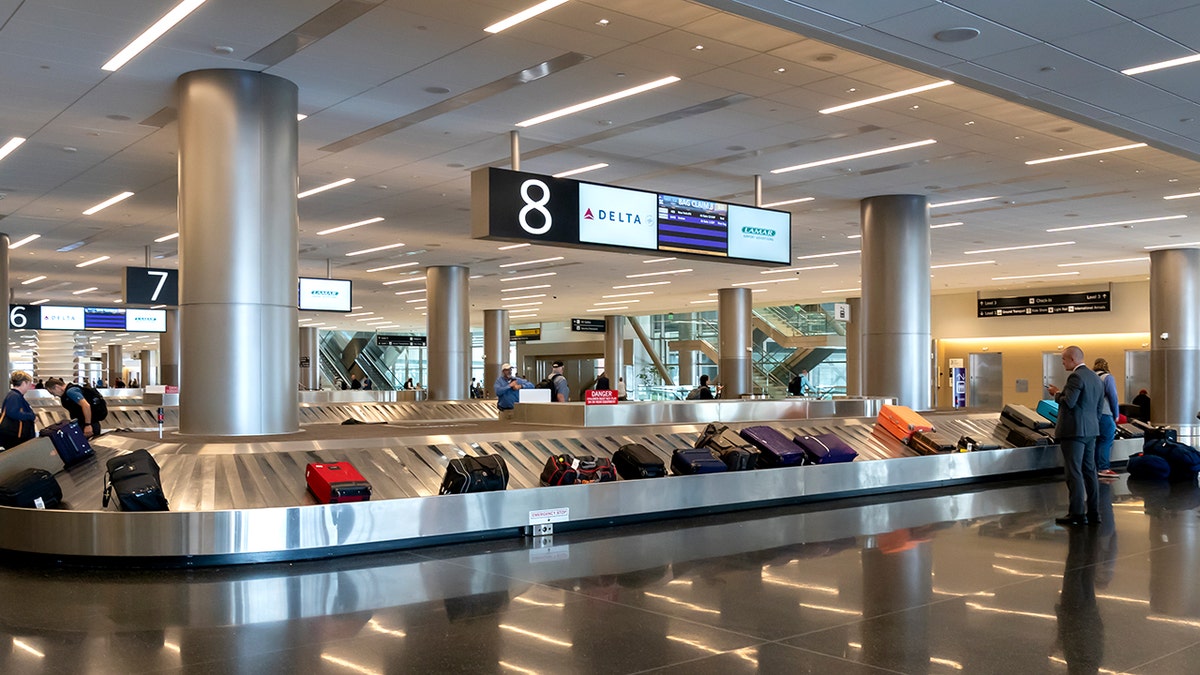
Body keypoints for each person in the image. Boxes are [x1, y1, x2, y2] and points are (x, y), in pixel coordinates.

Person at [1046, 346, 1105, 526]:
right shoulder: (1096, 378)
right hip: (1091, 431)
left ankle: (1077, 513)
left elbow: (1069, 402)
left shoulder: (1075, 376)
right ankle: (1094, 513)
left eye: (1064, 359)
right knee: (1089, 471)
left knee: (1074, 472)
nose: (1062, 363)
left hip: (1074, 432)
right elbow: (1099, 408)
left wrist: (1056, 394)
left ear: (1072, 359)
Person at [1093, 358, 1119, 479]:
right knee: (1106, 440)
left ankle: (1094, 468)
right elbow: (1113, 396)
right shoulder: (1107, 377)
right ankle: (1103, 468)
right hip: (1105, 413)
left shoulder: (1090, 377)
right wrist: (1116, 414)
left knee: (1095, 441)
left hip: (1091, 415)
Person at [0, 371, 37, 450]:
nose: (29, 387)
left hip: (14, 434)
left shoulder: (13, 395)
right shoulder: (14, 396)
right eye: (29, 384)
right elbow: (13, 413)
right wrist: (31, 416)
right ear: (24, 383)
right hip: (15, 436)